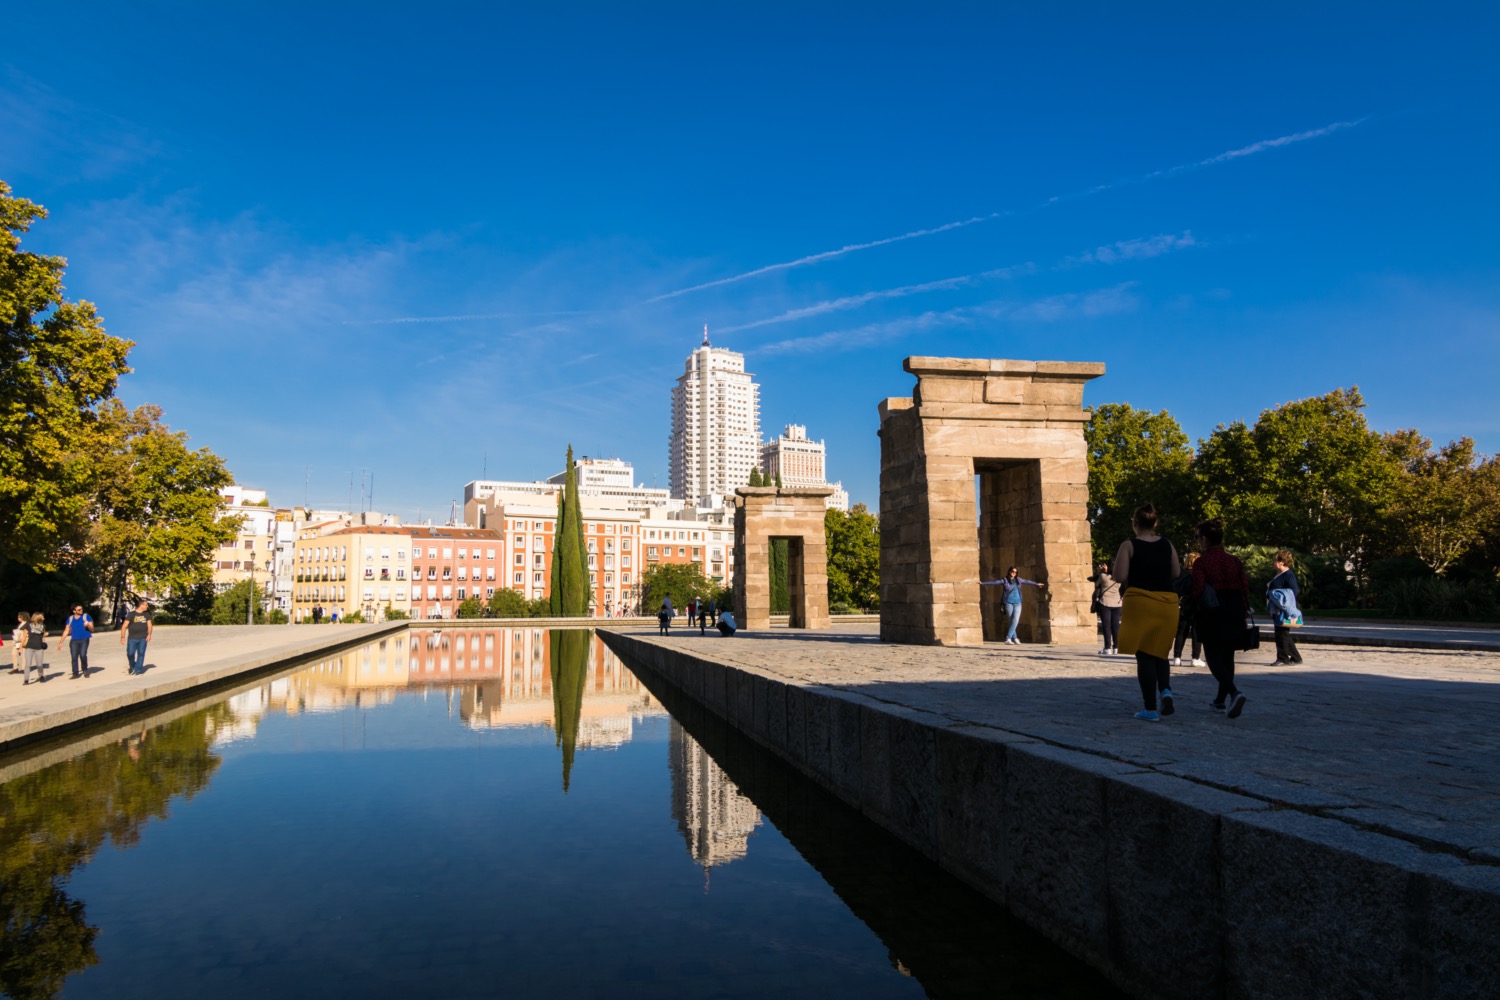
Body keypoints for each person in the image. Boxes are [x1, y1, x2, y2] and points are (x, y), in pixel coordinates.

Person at [1114, 504, 1182, 722]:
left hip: (1141, 602)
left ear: (1134, 523)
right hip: (1167, 603)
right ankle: (1166, 691)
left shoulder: (1128, 545)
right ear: (1156, 524)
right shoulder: (1167, 543)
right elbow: (1176, 572)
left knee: (1143, 654)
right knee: (1160, 651)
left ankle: (1150, 709)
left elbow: (1119, 575)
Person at [1192, 517, 1251, 719]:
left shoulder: (1202, 562)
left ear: (1205, 540)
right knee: (1228, 656)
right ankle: (1220, 701)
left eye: (1198, 538)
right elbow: (1245, 586)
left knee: (1213, 657)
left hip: (1213, 610)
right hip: (1234, 609)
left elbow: (1198, 588)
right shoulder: (1234, 561)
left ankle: (1234, 692)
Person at [980, 567, 1046, 644]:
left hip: (1018, 603)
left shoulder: (1018, 580)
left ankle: (1008, 638)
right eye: (1012, 571)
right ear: (1009, 571)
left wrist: (1037, 584)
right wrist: (982, 583)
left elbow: (1028, 582)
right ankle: (1015, 638)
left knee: (1015, 620)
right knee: (1011, 621)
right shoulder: (1004, 580)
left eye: (1015, 572)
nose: (1014, 573)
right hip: (1008, 603)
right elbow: (994, 582)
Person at [1267, 551, 1304, 665]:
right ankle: (1296, 658)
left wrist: (1279, 598)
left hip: (1283, 610)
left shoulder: (1288, 575)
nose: (1273, 563)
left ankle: (1283, 658)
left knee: (1281, 634)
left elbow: (1293, 591)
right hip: (1277, 609)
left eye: (1275, 560)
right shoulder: (1279, 574)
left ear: (1282, 562)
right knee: (1283, 633)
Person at [1171, 553, 1206, 667]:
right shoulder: (1200, 574)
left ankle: (1177, 657)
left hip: (1185, 604)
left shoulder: (1182, 574)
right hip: (1198, 605)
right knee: (1196, 632)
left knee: (1181, 631)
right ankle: (1195, 658)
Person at [1088, 562, 1122, 655]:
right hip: (1117, 603)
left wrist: (1099, 571)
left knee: (1106, 626)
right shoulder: (1120, 578)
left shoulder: (1103, 576)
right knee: (1115, 626)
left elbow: (1095, 582)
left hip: (1105, 603)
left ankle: (1107, 648)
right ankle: (1116, 647)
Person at [120, 598, 154, 675]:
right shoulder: (131, 614)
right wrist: (122, 637)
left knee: (141, 653)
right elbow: (124, 626)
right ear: (141, 605)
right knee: (130, 653)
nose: (147, 606)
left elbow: (149, 625)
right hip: (132, 638)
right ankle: (132, 666)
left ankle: (138, 670)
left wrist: (149, 634)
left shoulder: (147, 614)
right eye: (146, 605)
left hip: (143, 638)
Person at [65, 603, 94, 679]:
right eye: (79, 610)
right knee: (74, 657)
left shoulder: (86, 616)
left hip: (84, 638)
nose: (81, 610)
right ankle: (75, 673)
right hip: (74, 640)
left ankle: (85, 670)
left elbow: (92, 629)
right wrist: (60, 642)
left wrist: (88, 625)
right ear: (74, 611)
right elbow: (66, 631)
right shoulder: (70, 619)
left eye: (82, 609)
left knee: (83, 655)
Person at [24, 612, 47, 685]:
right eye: (42, 617)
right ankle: (26, 680)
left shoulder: (42, 626)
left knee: (39, 664)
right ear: (38, 618)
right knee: (27, 664)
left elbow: (43, 635)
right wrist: (21, 645)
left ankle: (41, 676)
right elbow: (24, 635)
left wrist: (45, 634)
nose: (44, 618)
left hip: (39, 647)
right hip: (29, 647)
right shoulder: (28, 625)